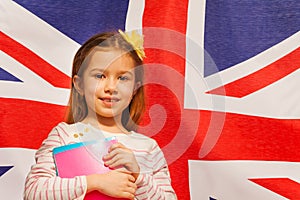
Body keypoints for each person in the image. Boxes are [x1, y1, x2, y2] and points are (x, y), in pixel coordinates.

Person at [24, 30, 177, 200]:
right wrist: (95, 182)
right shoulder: (64, 135)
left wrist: (138, 176)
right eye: (100, 76)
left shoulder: (148, 148)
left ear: (135, 89)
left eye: (122, 78)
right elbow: (33, 193)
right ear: (79, 84)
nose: (111, 87)